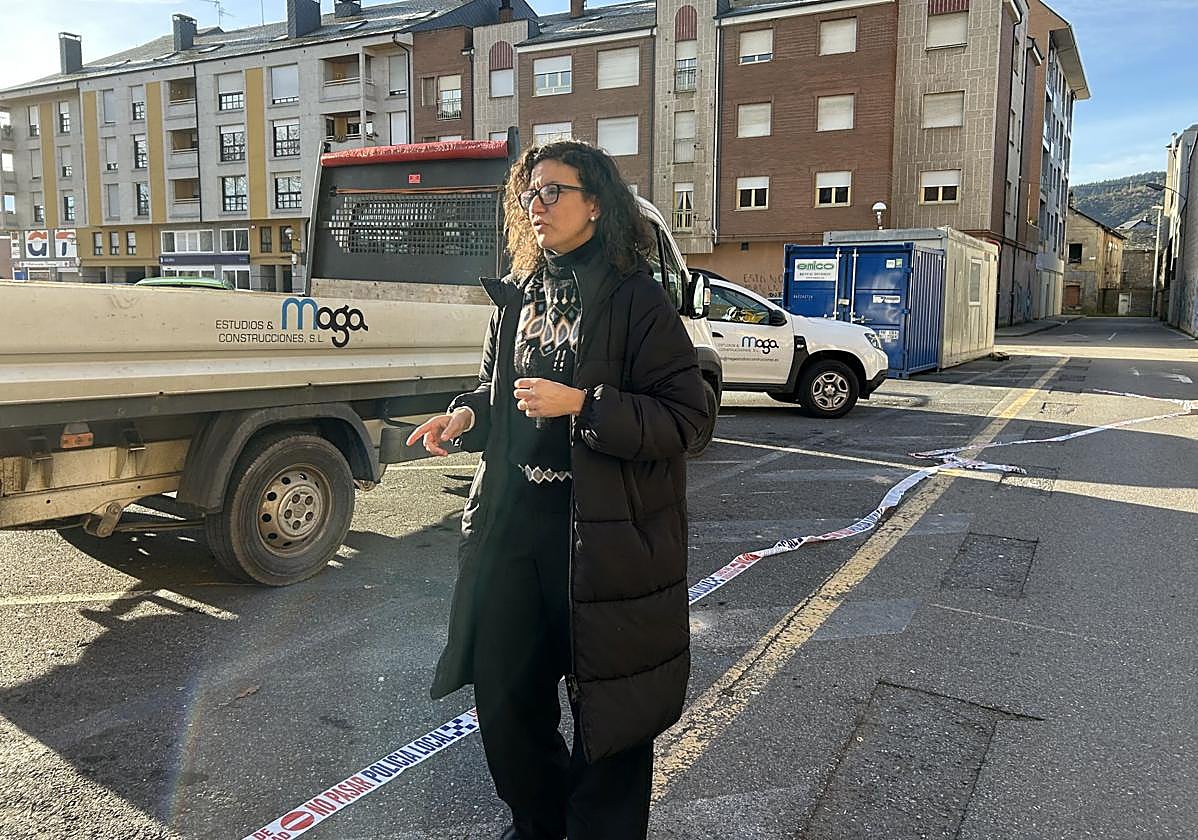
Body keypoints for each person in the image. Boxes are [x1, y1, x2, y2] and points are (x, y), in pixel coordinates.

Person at [406, 140, 709, 840]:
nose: (536, 206)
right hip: (513, 527)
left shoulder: (636, 299)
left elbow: (688, 419)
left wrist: (583, 405)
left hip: (604, 535)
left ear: (595, 203)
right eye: (528, 195)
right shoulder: (518, 294)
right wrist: (467, 417)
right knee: (505, 696)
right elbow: (497, 394)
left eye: (552, 192)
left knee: (611, 710)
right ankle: (538, 824)